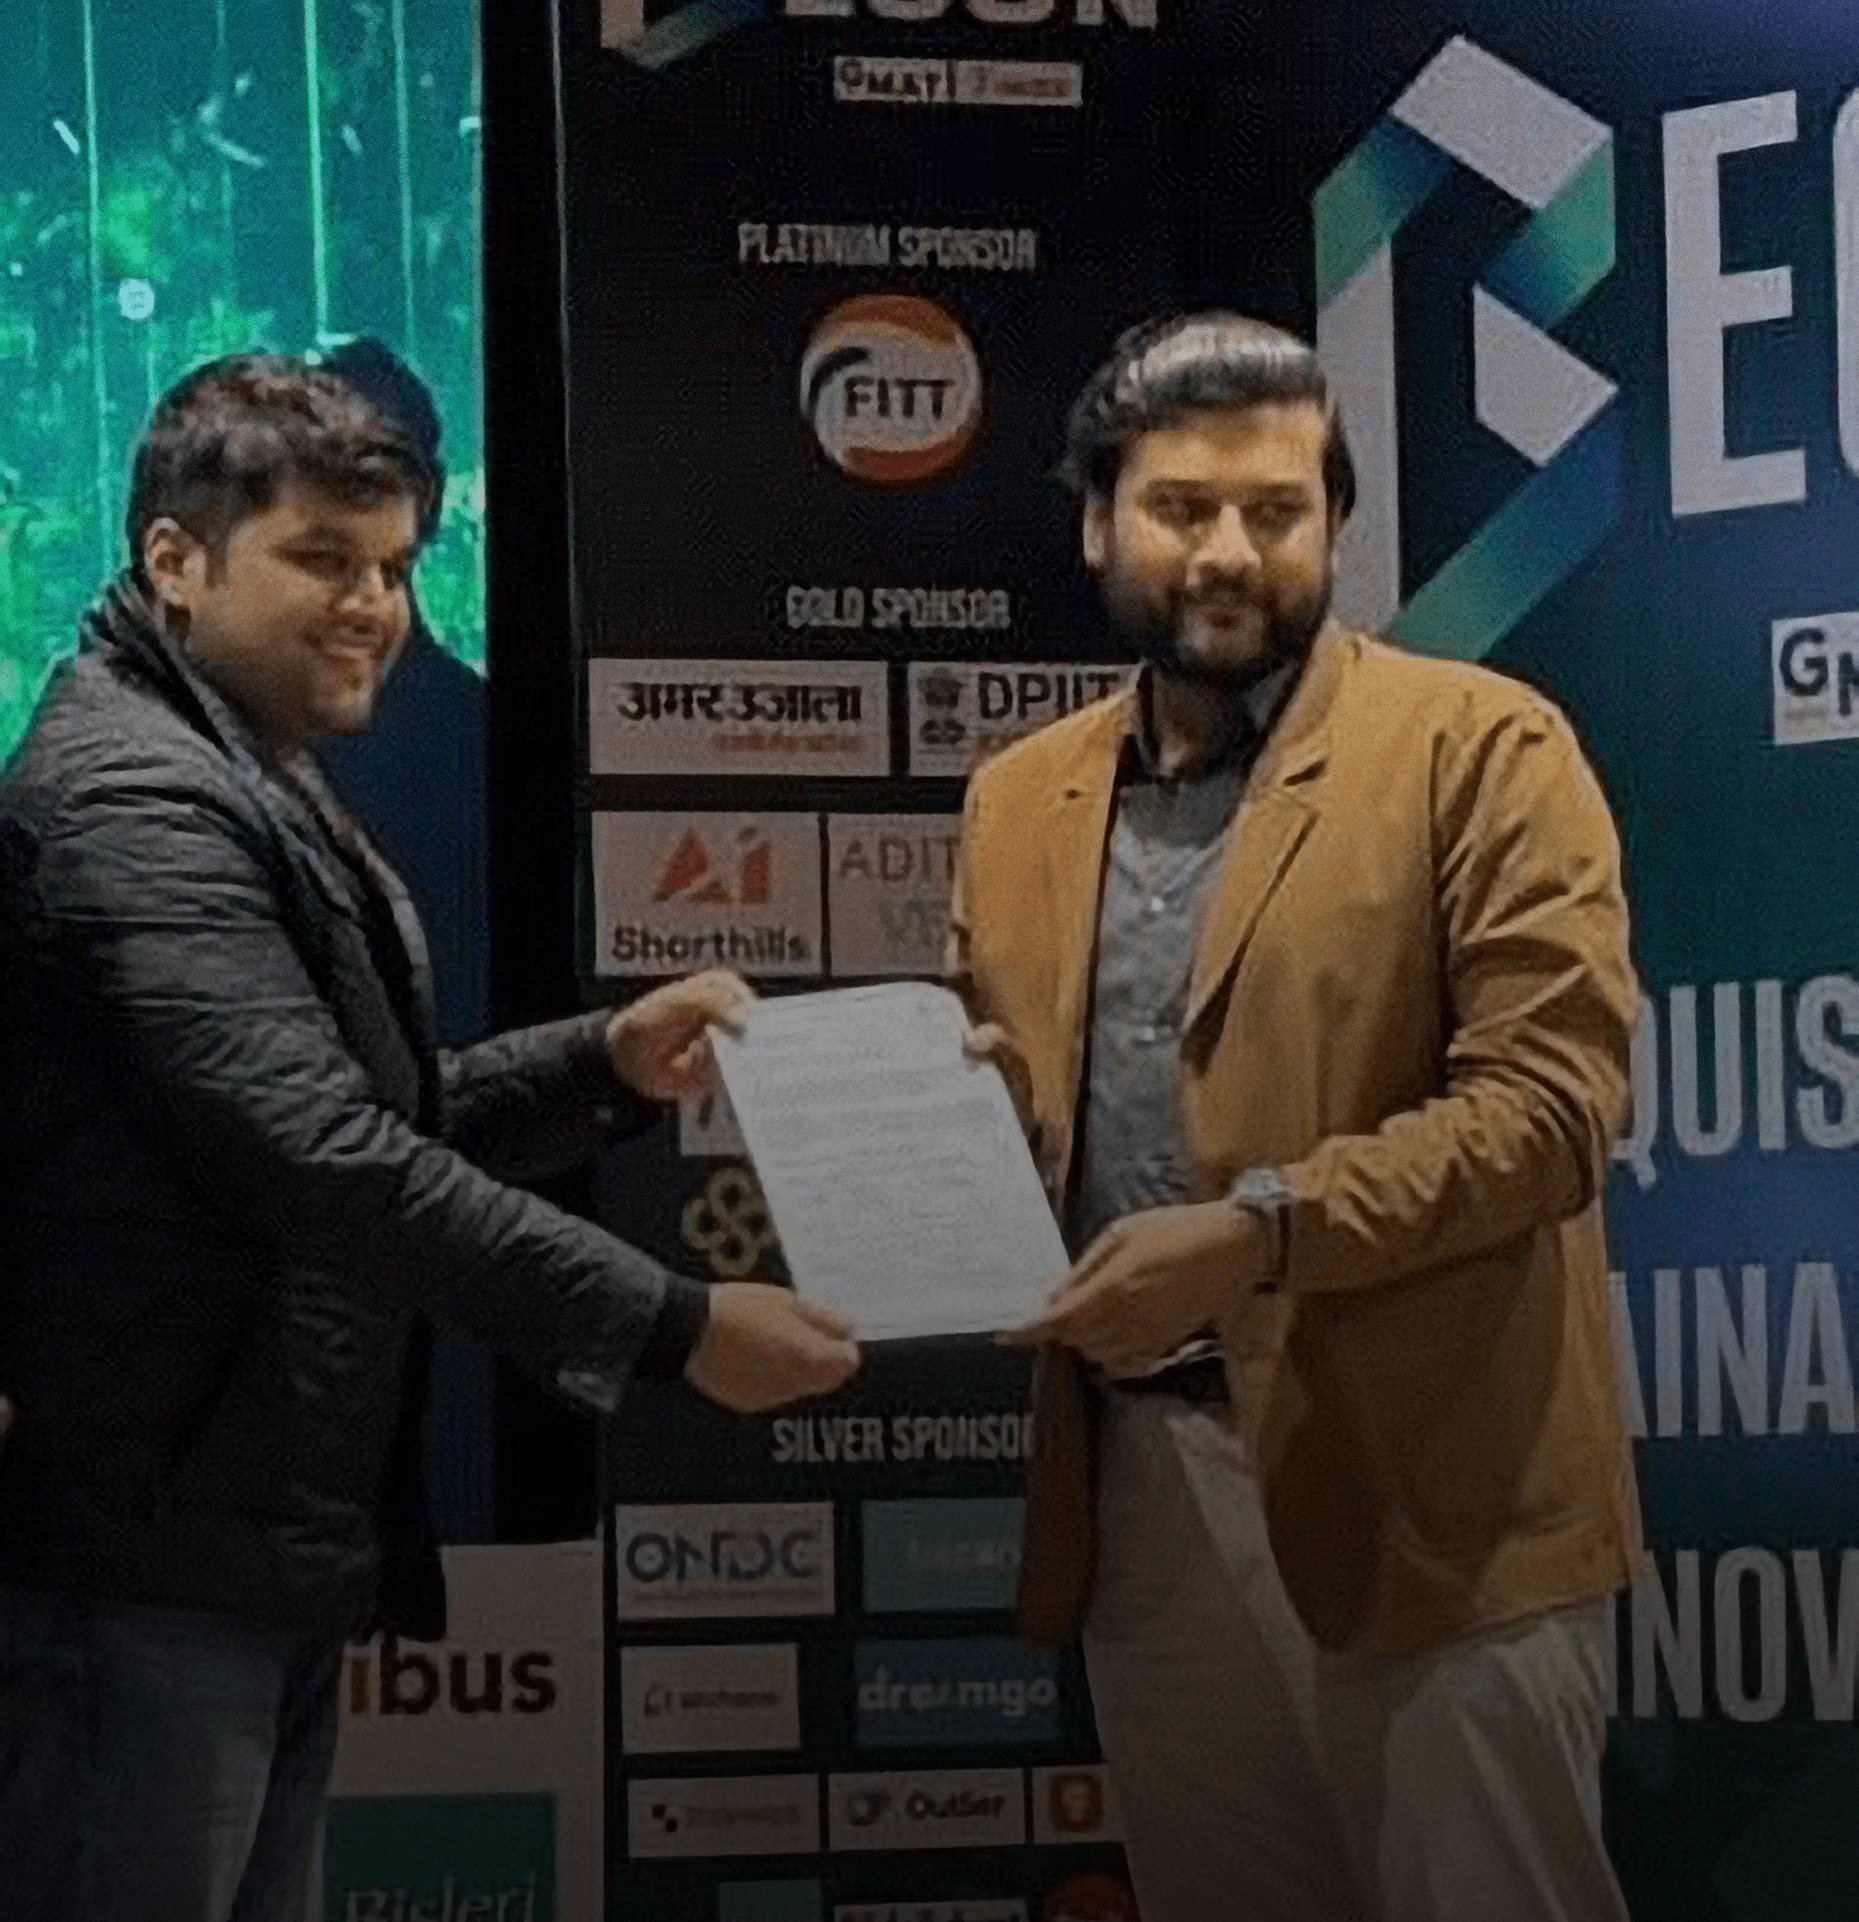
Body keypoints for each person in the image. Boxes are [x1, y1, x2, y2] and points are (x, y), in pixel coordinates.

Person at [0, 354, 860, 1922]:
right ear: (175, 558)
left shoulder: (236, 761)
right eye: (323, 559)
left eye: (394, 567)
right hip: (138, 1573)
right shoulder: (133, 797)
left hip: (225, 1552)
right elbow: (321, 1158)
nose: (374, 608)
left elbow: (337, 1124)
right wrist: (671, 1325)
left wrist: (600, 1060)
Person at [951, 315, 1639, 1922]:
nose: (1226, 552)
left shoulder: (1480, 745)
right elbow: (1025, 1113)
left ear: (1332, 522)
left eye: (1275, 509)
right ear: (1095, 523)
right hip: (1137, 1496)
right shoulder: (1015, 796)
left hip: (1433, 1512)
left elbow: (1548, 1110)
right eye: (1180, 506)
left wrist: (1258, 1233)